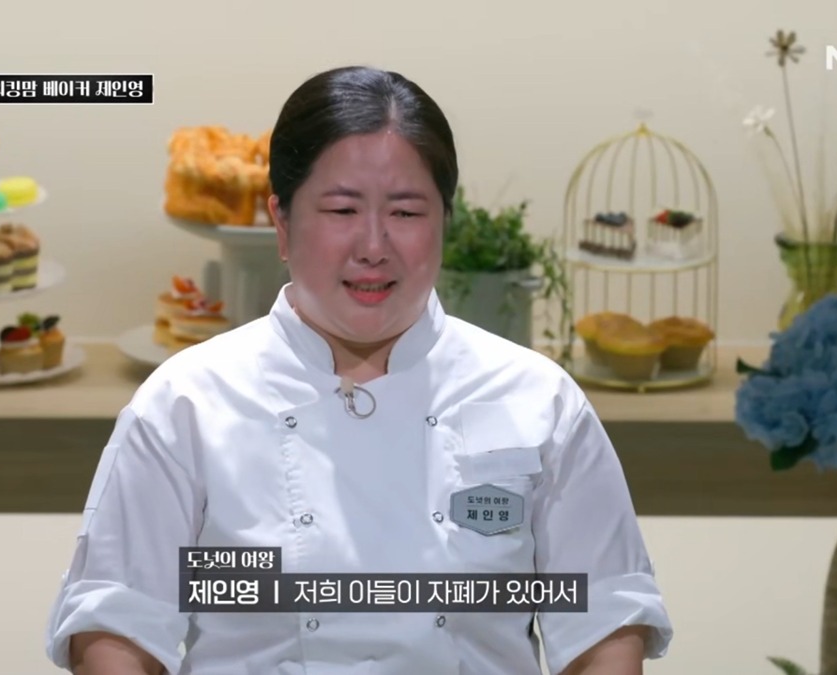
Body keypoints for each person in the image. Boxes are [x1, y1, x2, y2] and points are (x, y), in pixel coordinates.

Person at [45, 65, 672, 675]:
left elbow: (603, 623)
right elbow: (117, 622)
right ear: (282, 222)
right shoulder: (187, 402)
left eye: (406, 213)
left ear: (445, 222)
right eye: (342, 211)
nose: (373, 246)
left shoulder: (537, 398)